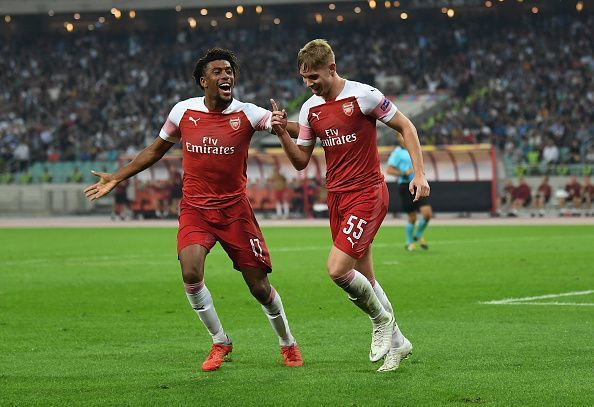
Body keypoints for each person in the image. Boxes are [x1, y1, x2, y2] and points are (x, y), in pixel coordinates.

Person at [84, 48, 302, 371]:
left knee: (259, 287)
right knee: (190, 272)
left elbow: (289, 127)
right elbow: (156, 150)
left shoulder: (248, 113)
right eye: (217, 72)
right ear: (203, 81)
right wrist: (117, 176)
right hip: (195, 210)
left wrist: (294, 126)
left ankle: (288, 344)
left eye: (229, 71)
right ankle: (220, 340)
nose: (226, 75)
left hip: (235, 211)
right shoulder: (183, 112)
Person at [271, 39, 430, 372]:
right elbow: (301, 161)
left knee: (337, 269)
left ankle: (381, 321)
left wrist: (419, 173)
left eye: (314, 77)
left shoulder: (363, 95)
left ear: (332, 67)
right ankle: (399, 344)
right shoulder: (309, 109)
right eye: (304, 78)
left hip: (368, 193)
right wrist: (282, 133)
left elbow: (406, 126)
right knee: (364, 277)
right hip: (337, 197)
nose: (309, 84)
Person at [387, 133, 433, 251]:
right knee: (412, 217)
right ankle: (409, 242)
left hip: (419, 183)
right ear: (398, 138)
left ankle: (418, 235)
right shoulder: (397, 153)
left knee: (427, 214)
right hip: (406, 186)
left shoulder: (415, 148)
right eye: (401, 136)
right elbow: (389, 170)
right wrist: (403, 173)